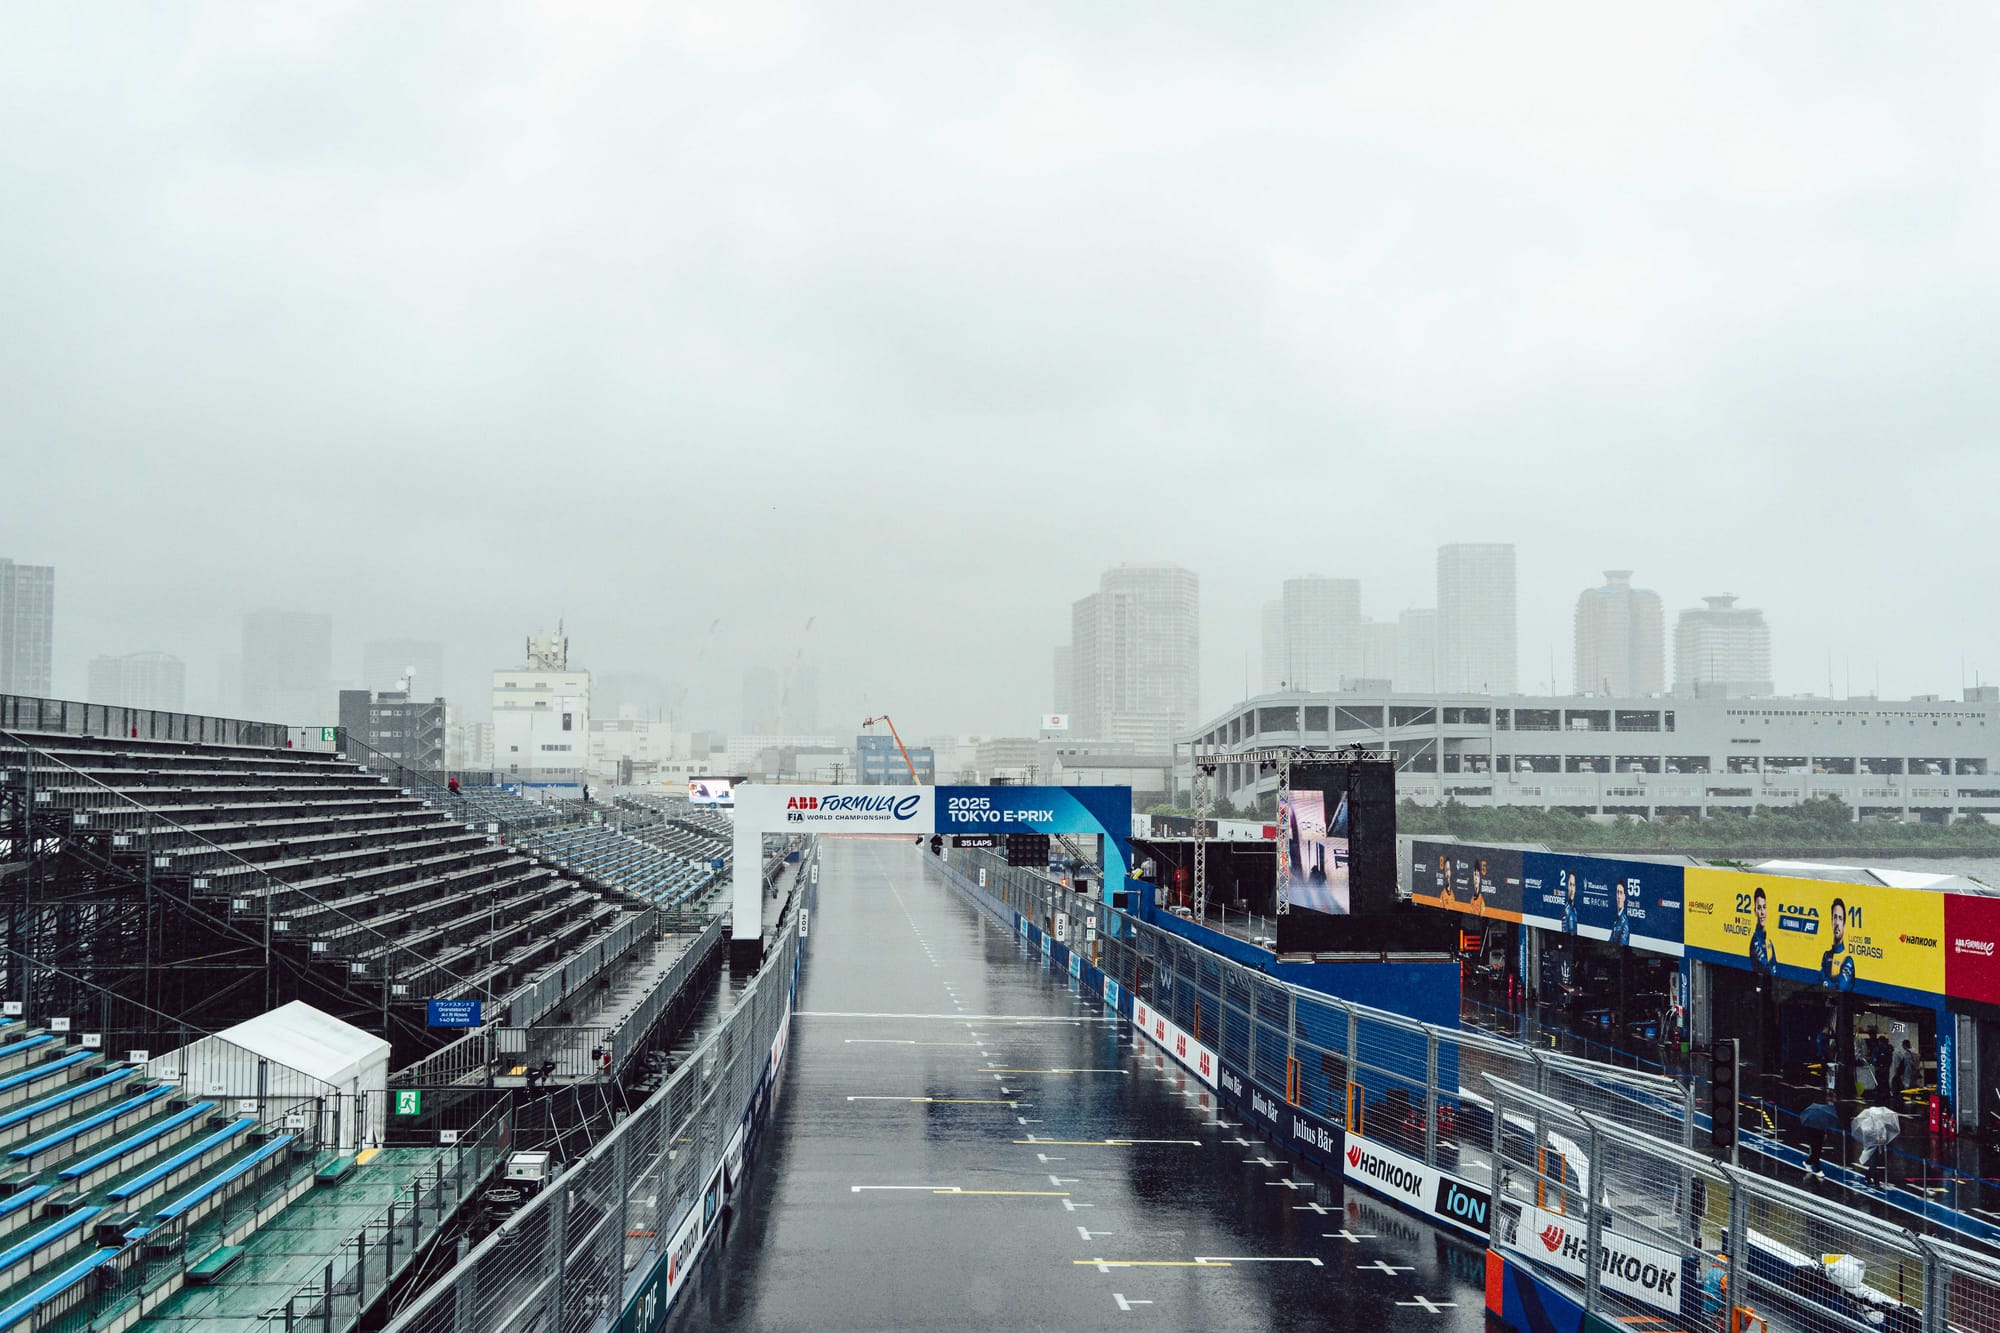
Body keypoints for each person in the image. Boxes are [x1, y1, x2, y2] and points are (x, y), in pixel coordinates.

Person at [1819, 897, 1856, 991]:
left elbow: (1841, 986)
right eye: (1835, 917)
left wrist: (1826, 983)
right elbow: (1819, 979)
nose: (1837, 924)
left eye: (1840, 918)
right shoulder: (1826, 955)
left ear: (1844, 925)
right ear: (1831, 921)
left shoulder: (1847, 959)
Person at [1748, 885, 1776, 977]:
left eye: (1764, 907)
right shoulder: (1756, 940)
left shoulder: (1768, 938)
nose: (1762, 912)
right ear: (1755, 911)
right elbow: (1766, 969)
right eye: (1759, 908)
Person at [1609, 879, 1633, 947]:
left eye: (1621, 893)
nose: (1619, 896)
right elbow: (1610, 940)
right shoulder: (1616, 920)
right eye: (1617, 892)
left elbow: (1622, 945)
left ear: (1624, 897)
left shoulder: (1624, 922)